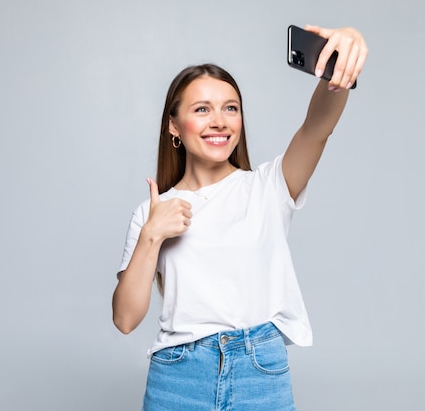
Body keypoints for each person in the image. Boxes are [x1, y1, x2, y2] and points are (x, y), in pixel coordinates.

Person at [112, 25, 368, 411]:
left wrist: (340, 69)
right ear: (173, 126)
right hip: (178, 377)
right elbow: (126, 319)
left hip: (258, 374)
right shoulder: (152, 212)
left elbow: (317, 129)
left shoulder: (269, 187)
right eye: (202, 110)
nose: (219, 121)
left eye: (230, 108)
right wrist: (151, 236)